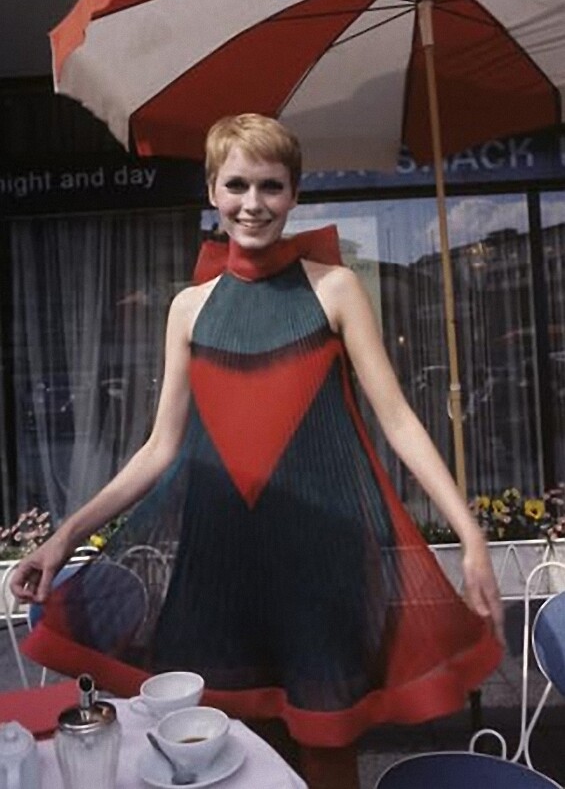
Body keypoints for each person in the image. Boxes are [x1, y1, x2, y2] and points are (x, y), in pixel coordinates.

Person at [11, 113, 503, 789]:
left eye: (271, 186)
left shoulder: (335, 287)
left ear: (294, 193)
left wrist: (471, 536)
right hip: (215, 563)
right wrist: (64, 537)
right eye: (237, 184)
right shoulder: (188, 307)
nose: (253, 203)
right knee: (215, 749)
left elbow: (398, 421)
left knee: (326, 752)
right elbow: (158, 448)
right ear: (212, 190)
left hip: (322, 560)